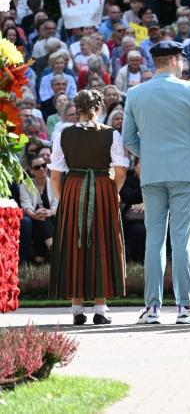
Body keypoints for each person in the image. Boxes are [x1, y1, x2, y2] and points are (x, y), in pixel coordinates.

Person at [122, 40, 190, 324]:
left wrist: (149, 155)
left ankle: (152, 309)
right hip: (183, 171)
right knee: (181, 240)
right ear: (174, 60)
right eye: (181, 59)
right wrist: (189, 155)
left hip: (152, 173)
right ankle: (184, 307)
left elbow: (128, 139)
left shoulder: (136, 93)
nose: (183, 63)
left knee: (155, 240)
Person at [48, 90, 128, 325]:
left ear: (77, 109)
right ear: (99, 108)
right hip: (102, 188)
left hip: (73, 189)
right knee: (102, 243)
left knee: (75, 245)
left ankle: (77, 310)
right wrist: (113, 192)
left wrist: (64, 198)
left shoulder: (63, 134)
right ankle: (100, 309)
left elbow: (55, 176)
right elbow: (121, 172)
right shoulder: (111, 134)